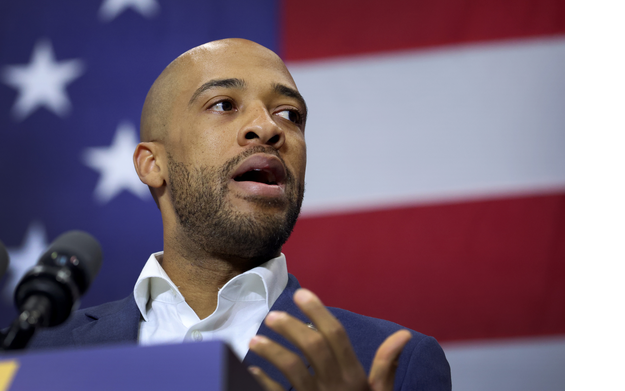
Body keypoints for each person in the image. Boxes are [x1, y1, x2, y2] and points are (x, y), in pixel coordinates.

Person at [29, 38, 451, 391]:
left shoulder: (394, 363)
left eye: (290, 114)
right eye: (224, 104)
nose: (268, 128)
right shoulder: (39, 356)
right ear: (152, 164)